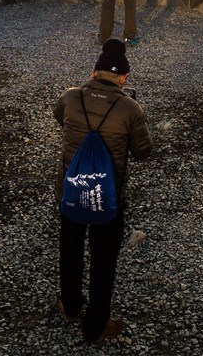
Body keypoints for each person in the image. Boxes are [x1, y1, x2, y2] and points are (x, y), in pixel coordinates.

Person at [54, 39, 153, 344]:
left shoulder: (71, 97)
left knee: (70, 248)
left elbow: (60, 118)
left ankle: (69, 306)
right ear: (124, 78)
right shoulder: (129, 108)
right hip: (107, 197)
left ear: (93, 71)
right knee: (103, 258)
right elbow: (142, 152)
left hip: (71, 191)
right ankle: (96, 326)